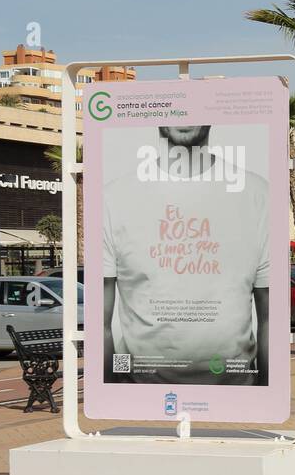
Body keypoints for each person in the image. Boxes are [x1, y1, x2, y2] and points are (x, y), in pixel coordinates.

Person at [102, 123, 269, 386]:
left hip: (236, 394)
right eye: (176, 108)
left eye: (193, 106)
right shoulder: (114, 197)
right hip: (139, 394)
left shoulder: (258, 193)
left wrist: (264, 395)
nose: (184, 116)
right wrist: (112, 394)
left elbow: (270, 317)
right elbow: (101, 323)